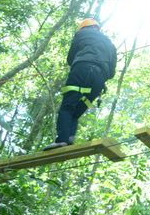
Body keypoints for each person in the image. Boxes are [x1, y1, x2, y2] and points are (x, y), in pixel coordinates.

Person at [43, 18, 117, 151]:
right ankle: (70, 137)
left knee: (68, 106)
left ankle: (62, 140)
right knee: (77, 110)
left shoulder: (81, 34)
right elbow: (111, 73)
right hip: (99, 80)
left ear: (83, 28)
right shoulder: (110, 44)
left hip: (81, 68)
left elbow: (70, 58)